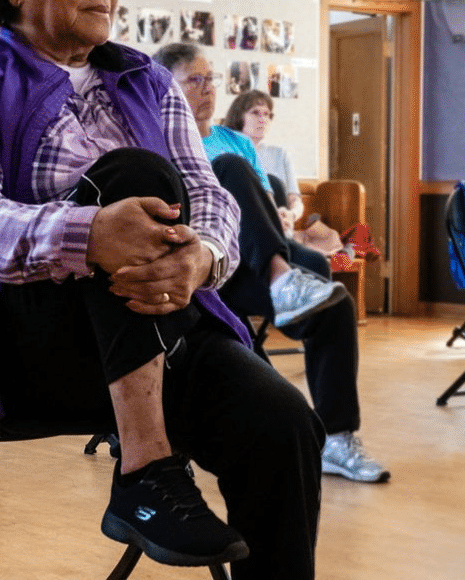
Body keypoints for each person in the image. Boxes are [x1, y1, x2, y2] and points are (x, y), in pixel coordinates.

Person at [0, 0, 322, 578]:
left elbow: (207, 192)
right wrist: (88, 233)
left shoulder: (146, 81)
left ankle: (151, 469)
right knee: (133, 180)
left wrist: (203, 258)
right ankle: (146, 468)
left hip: (160, 325)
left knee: (282, 424)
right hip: (17, 345)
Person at [153, 42, 391, 483]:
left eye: (212, 79)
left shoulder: (236, 141)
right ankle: (283, 292)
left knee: (333, 297)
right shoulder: (158, 141)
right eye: (195, 80)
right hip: (201, 264)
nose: (208, 90)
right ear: (164, 88)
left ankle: (337, 440)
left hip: (251, 254)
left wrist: (282, 217)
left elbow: (262, 205)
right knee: (228, 170)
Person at [223, 89, 304, 232]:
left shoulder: (280, 154)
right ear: (238, 117)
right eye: (255, 113)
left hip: (280, 231)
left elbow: (295, 200)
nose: (263, 119)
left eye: (266, 114)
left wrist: (291, 215)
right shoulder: (226, 156)